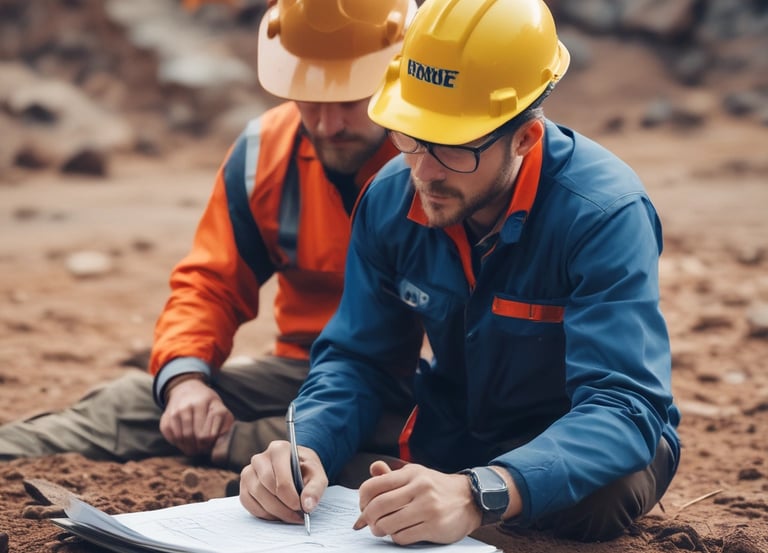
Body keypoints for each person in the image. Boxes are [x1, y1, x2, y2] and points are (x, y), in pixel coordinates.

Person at [239, 0, 681, 545]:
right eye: (412, 135)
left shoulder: (603, 215)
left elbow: (625, 405)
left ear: (524, 137)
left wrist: (482, 491)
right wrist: (306, 445)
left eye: (452, 149)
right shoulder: (389, 198)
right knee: (329, 452)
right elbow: (359, 359)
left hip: (571, 438)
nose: (422, 171)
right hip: (452, 424)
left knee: (605, 494)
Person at [0, 0, 418, 475]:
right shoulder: (264, 153)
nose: (327, 124)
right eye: (310, 98)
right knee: (135, 403)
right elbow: (210, 284)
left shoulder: (443, 161)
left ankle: (254, 446)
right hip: (309, 374)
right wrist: (186, 380)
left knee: (422, 436)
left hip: (422, 389)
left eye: (349, 100)